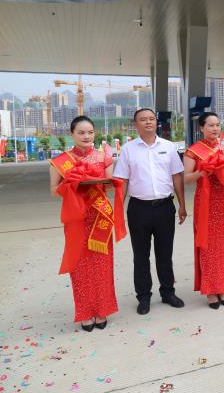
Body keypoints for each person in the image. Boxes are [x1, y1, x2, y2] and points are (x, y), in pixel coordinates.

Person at [49, 116, 124, 331]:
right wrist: (71, 184)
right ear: (72, 134)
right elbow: (53, 191)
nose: (86, 136)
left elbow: (109, 184)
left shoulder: (103, 157)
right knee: (80, 267)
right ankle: (85, 313)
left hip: (100, 217)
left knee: (102, 267)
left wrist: (102, 184)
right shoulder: (61, 161)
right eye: (81, 132)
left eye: (90, 132)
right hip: (77, 219)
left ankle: (102, 310)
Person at [114, 108, 187, 315]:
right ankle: (144, 296)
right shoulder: (128, 150)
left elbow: (177, 176)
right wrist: (117, 209)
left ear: (156, 122)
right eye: (143, 119)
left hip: (165, 207)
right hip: (139, 208)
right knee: (141, 256)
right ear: (135, 124)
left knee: (165, 253)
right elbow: (122, 181)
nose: (148, 122)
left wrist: (182, 205)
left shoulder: (169, 147)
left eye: (151, 119)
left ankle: (168, 292)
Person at [183, 112, 224, 308]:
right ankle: (210, 291)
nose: (215, 128)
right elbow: (186, 177)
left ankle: (223, 288)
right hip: (205, 203)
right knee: (208, 247)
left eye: (218, 125)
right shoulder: (193, 151)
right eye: (210, 125)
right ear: (201, 128)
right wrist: (203, 172)